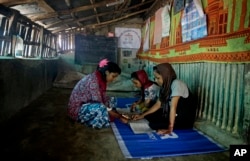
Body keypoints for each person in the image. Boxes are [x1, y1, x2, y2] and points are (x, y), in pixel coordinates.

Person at [132, 63, 197, 134]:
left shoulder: (177, 84)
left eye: (158, 78)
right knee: (148, 115)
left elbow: (173, 107)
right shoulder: (164, 87)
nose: (156, 81)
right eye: (155, 78)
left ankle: (171, 124)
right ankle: (164, 121)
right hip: (172, 115)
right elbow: (158, 104)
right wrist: (142, 115)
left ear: (166, 76)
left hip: (183, 119)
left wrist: (170, 128)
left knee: (153, 125)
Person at [67, 58, 128, 129]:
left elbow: (104, 97)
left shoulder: (100, 79)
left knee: (112, 99)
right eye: (113, 76)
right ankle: (93, 122)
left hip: (88, 103)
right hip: (78, 110)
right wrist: (118, 116)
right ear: (107, 72)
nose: (114, 79)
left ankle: (103, 116)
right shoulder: (93, 81)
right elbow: (100, 103)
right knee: (101, 108)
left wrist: (113, 111)